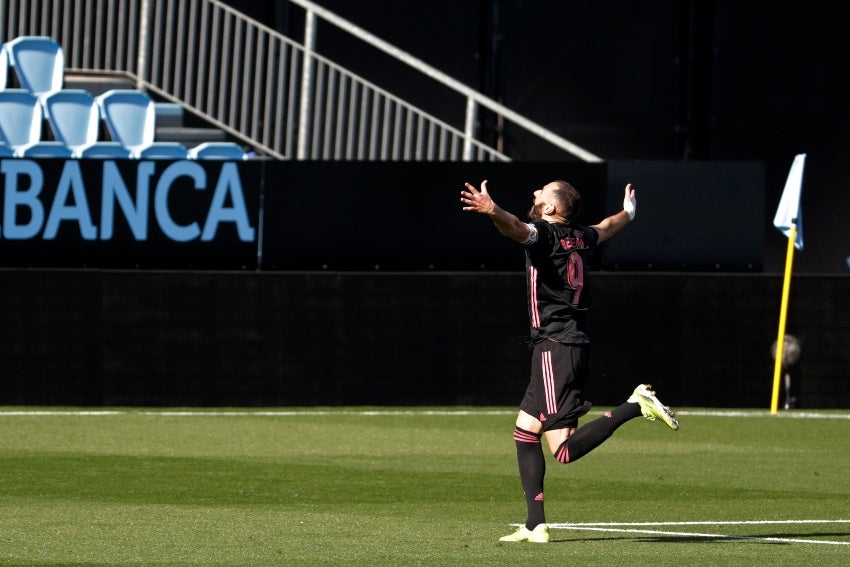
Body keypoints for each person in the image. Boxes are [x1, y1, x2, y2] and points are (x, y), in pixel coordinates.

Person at [460, 178, 679, 543]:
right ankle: (535, 524)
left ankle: (633, 406)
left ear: (550, 209)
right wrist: (629, 213)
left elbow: (514, 228)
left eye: (541, 193)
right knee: (525, 431)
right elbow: (607, 227)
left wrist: (491, 210)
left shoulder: (545, 234)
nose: (534, 194)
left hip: (556, 345)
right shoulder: (578, 235)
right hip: (562, 343)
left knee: (562, 449)